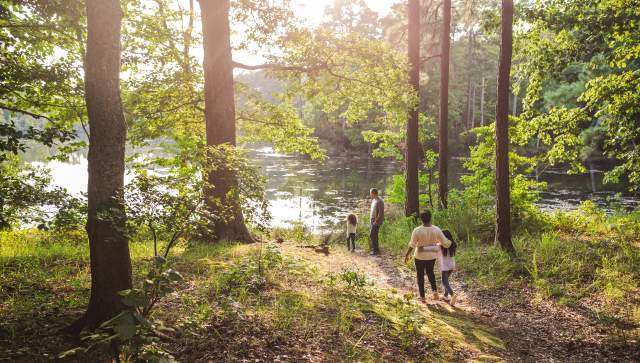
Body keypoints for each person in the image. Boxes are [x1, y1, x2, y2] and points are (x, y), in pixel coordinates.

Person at [403, 211, 451, 302]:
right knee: (430, 273)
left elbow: (412, 245)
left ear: (421, 219)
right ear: (430, 218)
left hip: (419, 256)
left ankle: (422, 297)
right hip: (432, 256)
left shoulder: (417, 230)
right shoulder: (436, 229)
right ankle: (435, 293)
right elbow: (445, 243)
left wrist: (407, 254)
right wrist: (451, 243)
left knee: (420, 275)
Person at [436, 230, 458, 305]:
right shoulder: (453, 244)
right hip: (451, 265)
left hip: (445, 266)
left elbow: (434, 251)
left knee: (444, 282)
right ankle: (445, 295)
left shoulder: (439, 245)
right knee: (446, 281)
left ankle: (452, 294)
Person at [369, 188, 384, 255]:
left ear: (373, 193)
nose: (370, 195)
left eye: (370, 193)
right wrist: (371, 220)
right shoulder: (374, 200)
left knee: (372, 235)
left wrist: (376, 220)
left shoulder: (380, 201)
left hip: (376, 221)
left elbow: (380, 213)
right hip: (372, 220)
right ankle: (376, 249)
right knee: (374, 235)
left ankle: (375, 250)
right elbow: (373, 211)